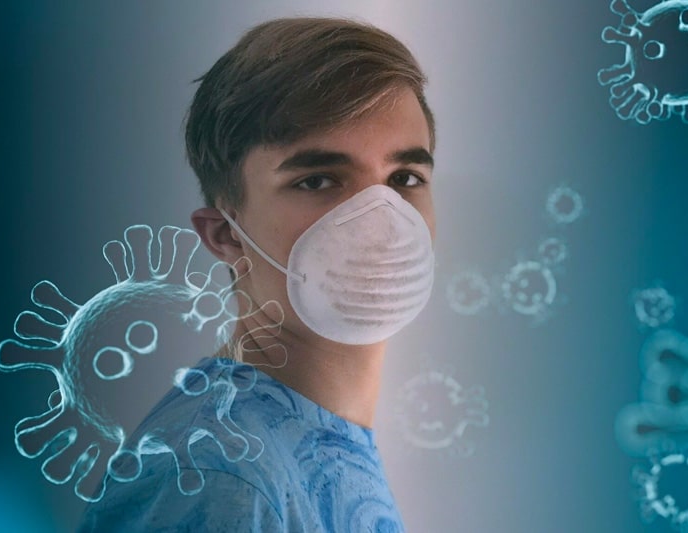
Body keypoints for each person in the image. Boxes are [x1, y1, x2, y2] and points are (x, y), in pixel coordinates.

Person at [78, 15, 437, 532]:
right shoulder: (220, 477)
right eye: (317, 180)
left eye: (404, 178)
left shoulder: (302, 443)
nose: (380, 221)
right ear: (225, 234)